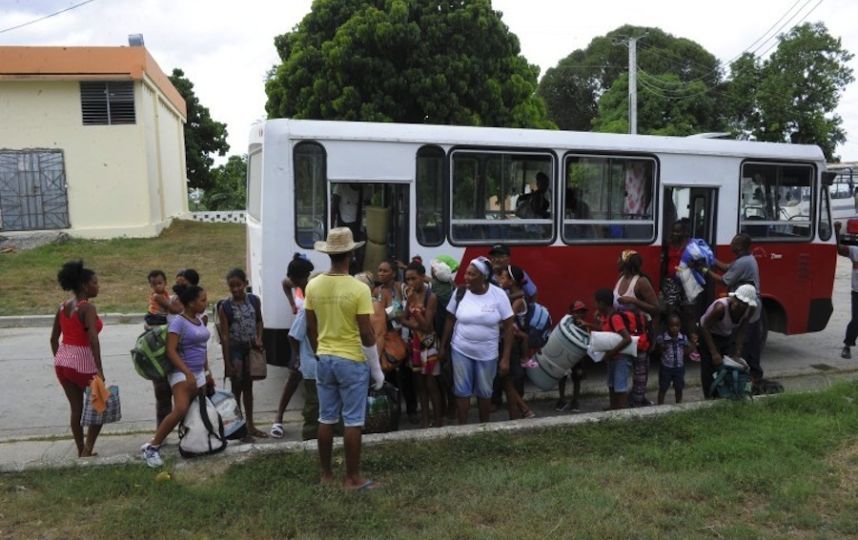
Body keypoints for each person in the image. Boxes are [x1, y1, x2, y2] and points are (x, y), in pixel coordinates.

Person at [305, 227, 384, 490]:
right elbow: (366, 332)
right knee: (353, 421)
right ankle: (352, 478)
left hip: (324, 359)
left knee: (326, 418)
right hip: (351, 360)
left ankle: (326, 475)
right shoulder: (359, 288)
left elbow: (310, 327)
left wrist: (320, 351)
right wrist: (377, 370)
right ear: (351, 253)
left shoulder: (313, 285)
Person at [141, 283, 214, 468]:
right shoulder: (178, 322)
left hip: (198, 373)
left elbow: (202, 348)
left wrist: (207, 372)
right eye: (202, 300)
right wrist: (187, 373)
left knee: (196, 411)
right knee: (180, 408)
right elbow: (171, 351)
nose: (206, 303)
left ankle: (193, 445)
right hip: (181, 373)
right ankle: (152, 446)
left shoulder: (199, 320)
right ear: (190, 303)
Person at [440, 256, 514, 425]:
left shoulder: (498, 295)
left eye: (472, 275)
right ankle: (463, 427)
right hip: (460, 349)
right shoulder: (459, 293)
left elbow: (509, 327)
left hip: (487, 353)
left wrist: (505, 358)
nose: (467, 278)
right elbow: (450, 319)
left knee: (485, 392)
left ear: (483, 277)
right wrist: (443, 346)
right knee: (461, 391)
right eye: (466, 273)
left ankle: (483, 427)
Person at [50, 260, 105, 458]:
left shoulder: (63, 306)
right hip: (83, 363)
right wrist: (99, 369)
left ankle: (80, 448)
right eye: (95, 283)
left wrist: (62, 358)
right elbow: (92, 339)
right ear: (84, 286)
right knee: (100, 404)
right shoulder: (87, 308)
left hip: (63, 363)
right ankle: (87, 450)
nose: (98, 286)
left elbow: (54, 338)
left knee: (76, 408)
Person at [217, 268, 266, 439]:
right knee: (236, 390)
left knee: (249, 389)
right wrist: (227, 363)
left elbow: (259, 321)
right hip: (235, 352)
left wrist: (259, 337)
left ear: (245, 284)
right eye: (232, 286)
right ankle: (238, 428)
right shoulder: (225, 307)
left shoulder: (254, 300)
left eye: (239, 285)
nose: (236, 289)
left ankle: (251, 425)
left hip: (251, 350)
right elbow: (224, 336)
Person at [271, 254, 315, 438]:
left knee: (311, 382)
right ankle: (278, 417)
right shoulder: (296, 285)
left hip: (311, 338)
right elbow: (284, 283)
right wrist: (292, 304)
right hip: (299, 337)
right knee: (293, 377)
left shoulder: (312, 287)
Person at [710, 233, 764, 383]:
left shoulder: (743, 262)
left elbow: (724, 280)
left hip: (748, 305)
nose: (731, 243)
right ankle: (753, 374)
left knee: (744, 341)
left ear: (740, 246)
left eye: (734, 241)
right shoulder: (744, 259)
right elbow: (727, 267)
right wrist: (711, 260)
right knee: (750, 339)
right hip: (748, 303)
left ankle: (748, 377)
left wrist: (704, 271)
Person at [399, 261, 444, 428]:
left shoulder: (430, 297)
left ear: (423, 277)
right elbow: (403, 319)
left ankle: (438, 421)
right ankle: (425, 421)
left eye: (413, 278)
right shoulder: (409, 295)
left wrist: (413, 308)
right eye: (407, 279)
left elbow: (426, 325)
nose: (410, 283)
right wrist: (415, 324)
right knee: (420, 385)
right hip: (416, 343)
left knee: (431, 384)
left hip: (429, 344)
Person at [614, 250, 659, 407]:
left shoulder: (641, 282)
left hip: (640, 333)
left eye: (620, 258)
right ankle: (628, 400)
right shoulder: (620, 279)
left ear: (627, 263)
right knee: (622, 367)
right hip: (623, 331)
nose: (617, 260)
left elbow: (656, 308)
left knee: (640, 371)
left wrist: (634, 301)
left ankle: (637, 402)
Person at [374, 259, 417, 422]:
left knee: (407, 376)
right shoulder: (375, 291)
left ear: (393, 273)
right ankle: (393, 410)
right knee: (389, 375)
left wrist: (386, 313)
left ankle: (412, 410)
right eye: (379, 270)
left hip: (405, 337)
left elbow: (402, 313)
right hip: (386, 339)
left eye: (385, 271)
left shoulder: (402, 288)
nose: (381, 273)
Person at [698, 284, 756, 398]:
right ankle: (709, 397)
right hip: (708, 333)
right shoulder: (720, 308)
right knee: (709, 368)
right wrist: (714, 353)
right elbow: (704, 327)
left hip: (724, 334)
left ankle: (723, 394)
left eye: (741, 304)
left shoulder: (750, 310)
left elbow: (742, 331)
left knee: (725, 367)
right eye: (736, 301)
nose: (736, 305)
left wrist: (737, 353)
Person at [495, 265, 536, 420]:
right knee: (506, 380)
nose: (500, 280)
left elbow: (507, 320)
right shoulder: (513, 295)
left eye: (504, 277)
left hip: (513, 344)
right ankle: (521, 411)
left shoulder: (518, 301)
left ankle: (524, 410)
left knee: (507, 380)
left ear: (511, 282)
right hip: (512, 342)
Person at [594, 288, 634, 410]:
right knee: (612, 385)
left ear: (602, 303)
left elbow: (627, 339)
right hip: (612, 358)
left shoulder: (615, 318)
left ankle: (622, 412)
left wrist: (611, 353)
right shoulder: (606, 317)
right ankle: (613, 409)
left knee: (620, 388)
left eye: (596, 302)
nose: (595, 305)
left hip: (620, 358)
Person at [430, 255, 459, 420]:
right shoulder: (453, 288)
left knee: (440, 376)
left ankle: (444, 410)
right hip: (452, 337)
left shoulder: (432, 288)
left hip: (438, 336)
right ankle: (452, 407)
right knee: (451, 374)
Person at [555, 301, 591, 412]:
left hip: (578, 357)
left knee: (577, 379)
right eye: (577, 312)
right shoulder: (566, 324)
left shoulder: (585, 327)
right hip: (565, 355)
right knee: (562, 377)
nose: (579, 315)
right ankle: (561, 400)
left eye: (581, 312)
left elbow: (587, 343)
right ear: (571, 313)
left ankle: (575, 401)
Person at [653, 313, 695, 405]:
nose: (675, 328)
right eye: (672, 326)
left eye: (677, 326)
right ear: (667, 327)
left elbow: (690, 347)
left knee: (679, 387)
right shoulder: (662, 338)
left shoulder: (682, 338)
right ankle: (660, 405)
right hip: (666, 367)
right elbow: (655, 350)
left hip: (679, 367)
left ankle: (679, 404)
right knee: (663, 387)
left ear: (680, 326)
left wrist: (689, 349)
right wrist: (660, 348)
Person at [834, 221, 858, 359]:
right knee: (856, 320)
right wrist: (837, 232)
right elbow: (839, 249)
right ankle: (847, 345)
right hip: (857, 292)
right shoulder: (856, 252)